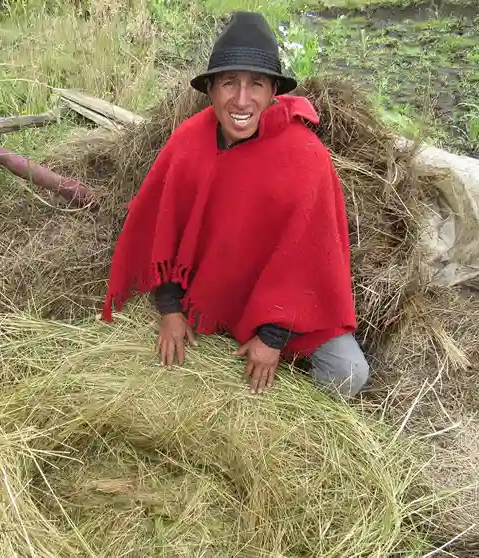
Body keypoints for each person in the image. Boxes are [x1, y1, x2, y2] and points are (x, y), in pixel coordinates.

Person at [101, 11, 370, 398]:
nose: (241, 100)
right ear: (210, 89)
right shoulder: (189, 142)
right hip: (211, 293)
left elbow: (309, 262)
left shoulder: (305, 157)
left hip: (281, 309)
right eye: (229, 83)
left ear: (273, 90)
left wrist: (273, 338)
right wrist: (170, 310)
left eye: (256, 84)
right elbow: (164, 229)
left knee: (349, 372)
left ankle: (288, 418)